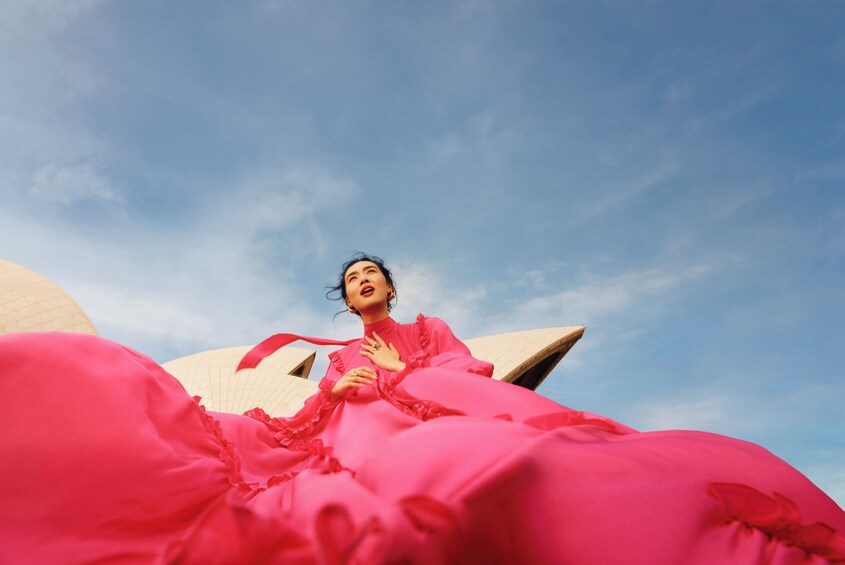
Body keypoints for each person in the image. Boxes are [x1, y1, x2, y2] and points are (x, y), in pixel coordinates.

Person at [1, 254, 843, 564]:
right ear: (345, 297)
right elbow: (314, 405)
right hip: (357, 427)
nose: (365, 285)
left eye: (374, 277)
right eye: (354, 281)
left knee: (558, 469)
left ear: (391, 288)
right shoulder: (334, 355)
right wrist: (344, 387)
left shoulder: (427, 328)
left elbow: (462, 365)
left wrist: (408, 379)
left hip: (438, 409)